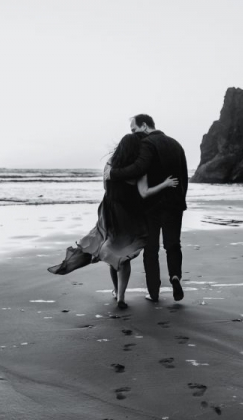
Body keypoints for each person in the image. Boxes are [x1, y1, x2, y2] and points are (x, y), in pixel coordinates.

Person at [48, 132, 178, 310]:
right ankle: (121, 298)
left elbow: (105, 186)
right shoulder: (139, 170)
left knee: (111, 251)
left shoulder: (109, 165)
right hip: (128, 214)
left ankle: (116, 292)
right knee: (123, 256)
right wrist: (164, 184)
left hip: (108, 212)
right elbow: (144, 193)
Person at [106, 114, 188, 302]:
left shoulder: (147, 144)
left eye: (134, 130)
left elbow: (138, 168)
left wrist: (113, 173)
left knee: (151, 250)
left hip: (152, 205)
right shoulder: (176, 144)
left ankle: (154, 292)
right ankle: (175, 276)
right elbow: (183, 176)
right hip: (175, 204)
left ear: (144, 126)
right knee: (173, 244)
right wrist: (180, 199)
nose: (133, 134)